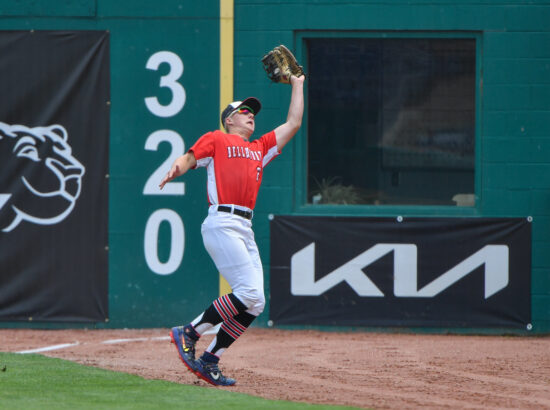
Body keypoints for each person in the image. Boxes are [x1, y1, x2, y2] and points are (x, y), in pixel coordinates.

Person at [159, 74, 305, 386]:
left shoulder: (259, 147)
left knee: (256, 302)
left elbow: (293, 123)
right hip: (222, 222)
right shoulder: (217, 139)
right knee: (249, 292)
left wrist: (298, 84)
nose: (250, 114)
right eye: (243, 111)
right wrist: (177, 167)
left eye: (252, 112)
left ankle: (210, 359)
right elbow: (189, 157)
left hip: (244, 226)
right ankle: (190, 331)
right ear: (229, 120)